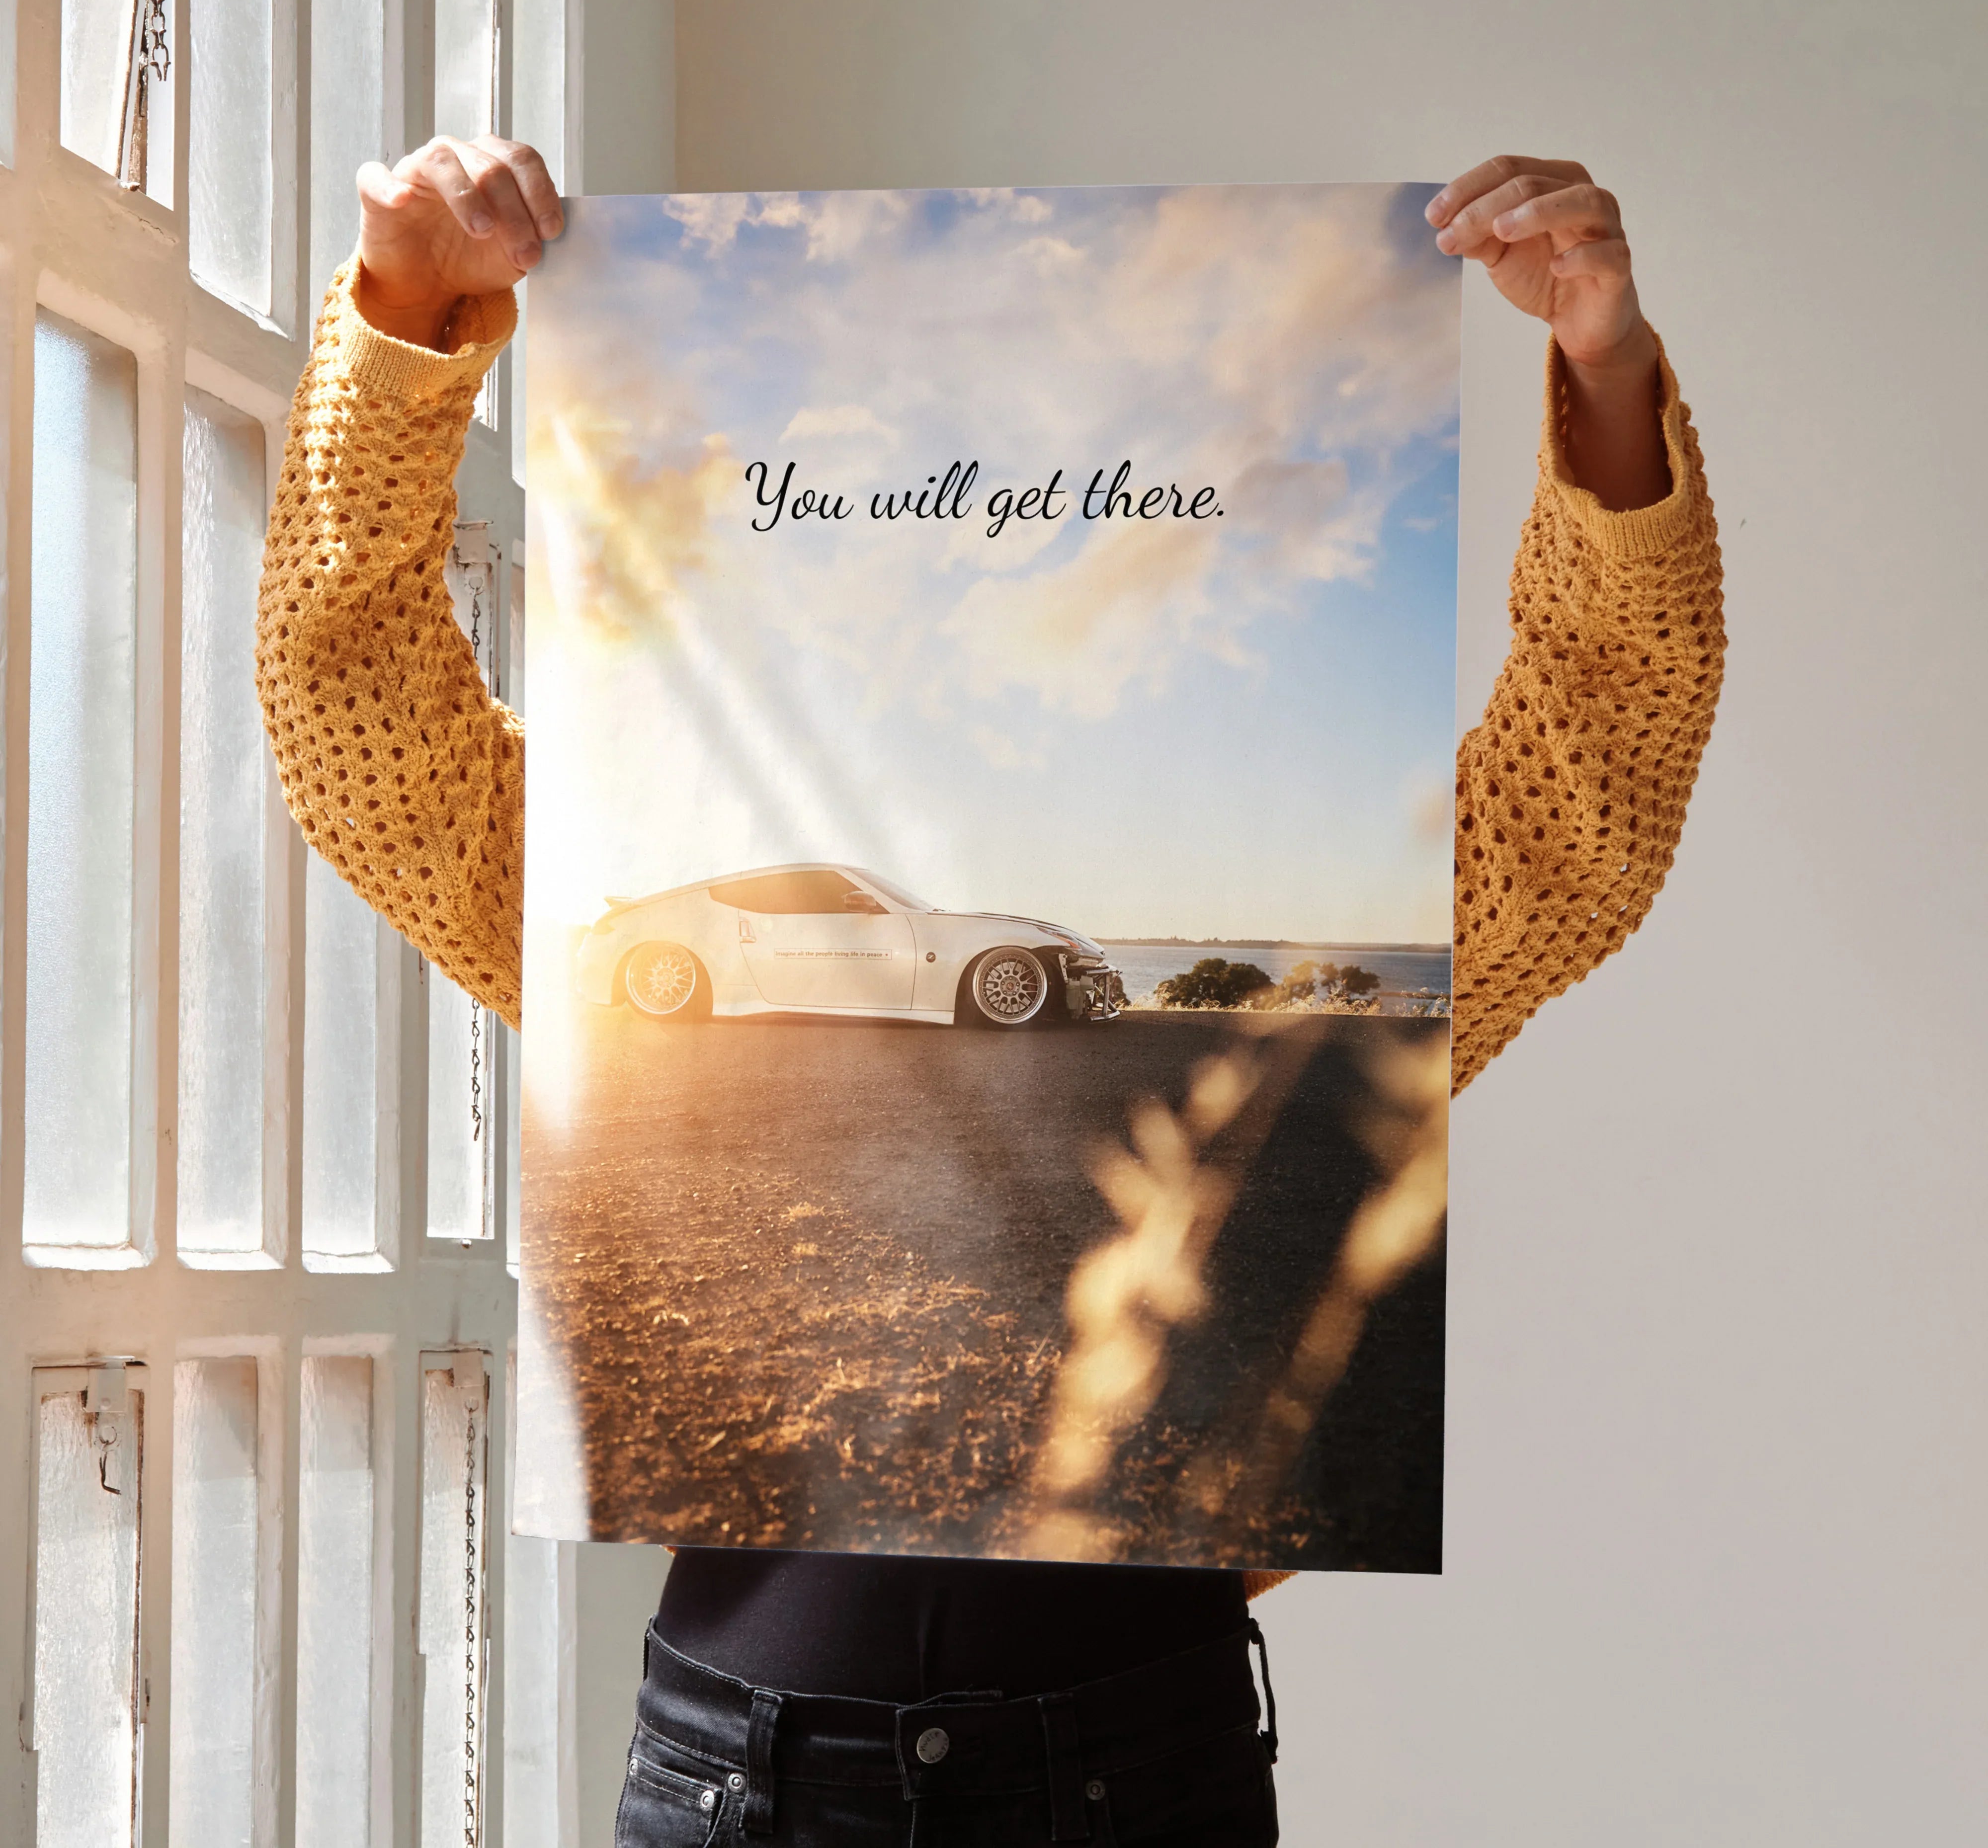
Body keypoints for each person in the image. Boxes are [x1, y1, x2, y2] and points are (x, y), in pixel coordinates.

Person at [256, 138, 1723, 1846]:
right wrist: (404, 323)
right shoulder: (638, 964)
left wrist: (1605, 372)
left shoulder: (1287, 978)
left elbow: (1591, 787)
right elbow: (356, 721)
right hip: (747, 1778)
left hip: (1138, 1764)